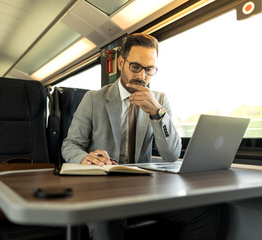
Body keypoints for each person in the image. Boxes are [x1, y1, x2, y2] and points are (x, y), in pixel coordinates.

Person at [61, 33, 220, 240]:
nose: (142, 76)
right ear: (121, 63)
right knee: (105, 224)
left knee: (206, 213)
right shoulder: (93, 99)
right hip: (103, 189)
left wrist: (157, 113)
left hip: (144, 188)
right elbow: (70, 144)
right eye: (135, 67)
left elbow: (171, 155)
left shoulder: (160, 100)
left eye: (149, 69)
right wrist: (84, 158)